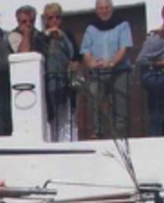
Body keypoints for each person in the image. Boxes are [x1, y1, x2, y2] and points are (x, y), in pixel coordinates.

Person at [81, 0, 134, 138]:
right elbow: (86, 50)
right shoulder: (91, 28)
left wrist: (112, 63)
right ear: (97, 10)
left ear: (111, 9)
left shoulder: (123, 25)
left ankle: (120, 135)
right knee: (94, 95)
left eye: (106, 8)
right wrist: (91, 63)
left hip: (119, 71)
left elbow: (124, 48)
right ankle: (98, 131)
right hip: (98, 72)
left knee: (120, 104)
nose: (104, 11)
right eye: (101, 8)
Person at [41, 3, 80, 142]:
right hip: (50, 82)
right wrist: (47, 36)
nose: (54, 21)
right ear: (46, 20)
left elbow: (76, 55)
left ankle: (69, 143)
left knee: (68, 117)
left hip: (66, 80)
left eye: (57, 17)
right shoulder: (41, 37)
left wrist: (62, 37)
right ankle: (53, 143)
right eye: (51, 18)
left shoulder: (67, 35)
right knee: (52, 118)